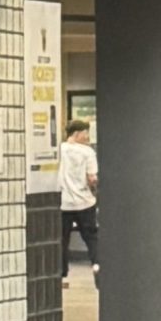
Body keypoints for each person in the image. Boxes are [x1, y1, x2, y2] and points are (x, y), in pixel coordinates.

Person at [59, 118, 98, 279]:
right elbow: (92, 178)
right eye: (85, 133)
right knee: (91, 236)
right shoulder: (88, 152)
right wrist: (95, 189)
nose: (87, 136)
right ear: (76, 133)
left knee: (62, 238)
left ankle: (62, 270)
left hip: (64, 202)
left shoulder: (59, 149)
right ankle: (97, 264)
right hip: (84, 202)